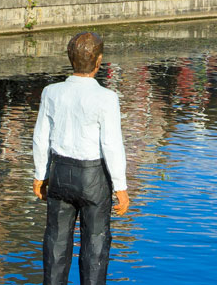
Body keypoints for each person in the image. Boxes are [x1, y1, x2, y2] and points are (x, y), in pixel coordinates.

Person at [34, 32, 130, 285]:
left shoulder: (51, 92)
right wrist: (120, 186)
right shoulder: (106, 98)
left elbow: (40, 137)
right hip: (93, 178)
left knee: (55, 242)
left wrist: (39, 176)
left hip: (60, 174)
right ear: (99, 61)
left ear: (70, 59)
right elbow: (111, 144)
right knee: (95, 244)